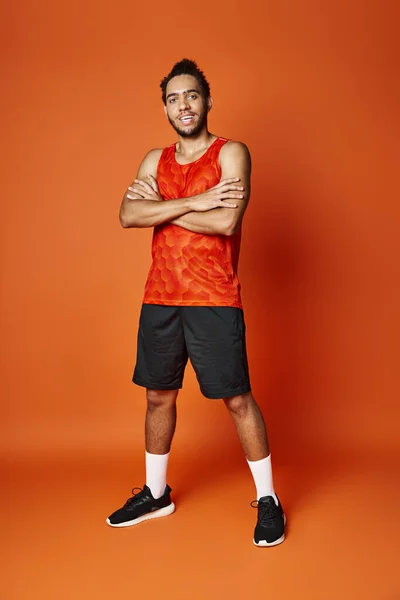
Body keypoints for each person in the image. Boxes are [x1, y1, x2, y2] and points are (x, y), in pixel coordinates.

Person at [106, 59, 286, 546]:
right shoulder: (153, 160)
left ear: (207, 101)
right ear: (164, 107)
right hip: (159, 296)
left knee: (236, 398)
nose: (182, 105)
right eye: (173, 98)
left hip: (213, 297)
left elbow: (227, 223)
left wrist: (160, 210)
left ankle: (268, 500)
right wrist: (193, 202)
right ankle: (156, 494)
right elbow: (126, 214)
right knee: (157, 396)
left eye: (191, 96)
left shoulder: (232, 154)